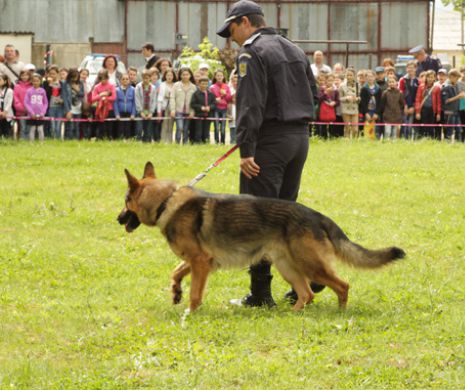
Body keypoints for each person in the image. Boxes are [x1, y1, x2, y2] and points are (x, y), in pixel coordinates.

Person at [217, 0, 320, 307]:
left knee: (256, 218)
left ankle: (260, 295)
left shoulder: (251, 51)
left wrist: (247, 149)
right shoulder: (293, 48)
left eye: (232, 29)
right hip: (298, 139)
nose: (231, 37)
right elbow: (313, 95)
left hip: (269, 143)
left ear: (246, 22)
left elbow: (250, 103)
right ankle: (312, 276)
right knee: (284, 215)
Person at [169, 67, 196, 144]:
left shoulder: (193, 87)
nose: (185, 76)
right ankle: (177, 143)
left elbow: (194, 101)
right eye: (183, 74)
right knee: (179, 128)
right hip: (178, 111)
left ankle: (185, 143)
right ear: (180, 76)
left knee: (186, 129)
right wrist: (173, 110)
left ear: (190, 75)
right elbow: (172, 98)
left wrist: (192, 111)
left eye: (187, 74)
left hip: (188, 112)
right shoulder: (176, 85)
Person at [415, 70, 441, 139]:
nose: (430, 79)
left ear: (434, 78)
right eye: (428, 77)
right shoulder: (421, 87)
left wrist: (438, 113)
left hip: (432, 110)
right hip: (423, 109)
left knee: (431, 126)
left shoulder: (437, 88)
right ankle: (423, 139)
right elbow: (417, 100)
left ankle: (431, 140)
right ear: (426, 78)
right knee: (423, 126)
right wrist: (417, 112)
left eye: (432, 77)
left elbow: (438, 102)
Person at [91, 69, 116, 139]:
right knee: (100, 126)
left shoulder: (111, 86)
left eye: (105, 78)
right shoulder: (96, 87)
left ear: (107, 78)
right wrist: (101, 95)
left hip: (109, 109)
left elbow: (113, 97)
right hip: (100, 110)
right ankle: (100, 138)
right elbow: (93, 99)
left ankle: (109, 138)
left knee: (109, 126)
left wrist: (105, 99)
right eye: (101, 79)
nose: (103, 80)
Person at [191, 76, 216, 143]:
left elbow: (214, 104)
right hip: (199, 115)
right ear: (199, 84)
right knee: (198, 130)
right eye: (202, 83)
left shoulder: (211, 94)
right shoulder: (196, 94)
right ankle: (198, 142)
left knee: (206, 130)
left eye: (206, 84)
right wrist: (201, 107)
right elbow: (193, 104)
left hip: (208, 115)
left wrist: (210, 107)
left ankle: (206, 142)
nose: (204, 85)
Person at [441, 69, 464, 142]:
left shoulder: (456, 85)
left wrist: (462, 95)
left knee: (459, 130)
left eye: (458, 78)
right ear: (451, 77)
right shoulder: (445, 87)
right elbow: (446, 101)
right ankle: (447, 145)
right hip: (449, 112)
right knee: (449, 130)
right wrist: (458, 96)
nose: (457, 80)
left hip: (456, 111)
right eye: (456, 78)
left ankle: (458, 145)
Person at [24, 73, 48, 142]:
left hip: (40, 114)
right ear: (31, 81)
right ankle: (31, 143)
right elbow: (26, 103)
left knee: (40, 129)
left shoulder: (42, 91)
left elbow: (45, 103)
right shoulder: (29, 91)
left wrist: (43, 112)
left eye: (37, 81)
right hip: (32, 115)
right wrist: (31, 113)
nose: (35, 82)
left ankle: (42, 143)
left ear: (40, 81)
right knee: (32, 129)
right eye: (34, 81)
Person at [62, 68, 85, 140]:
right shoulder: (65, 84)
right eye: (73, 76)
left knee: (77, 126)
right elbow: (65, 97)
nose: (74, 79)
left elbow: (82, 94)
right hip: (69, 107)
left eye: (76, 76)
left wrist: (77, 89)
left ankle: (76, 141)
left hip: (78, 107)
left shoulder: (80, 83)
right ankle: (68, 140)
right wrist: (67, 111)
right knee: (69, 126)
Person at [135, 69, 157, 142]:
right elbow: (137, 99)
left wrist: (151, 112)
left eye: (147, 78)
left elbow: (154, 101)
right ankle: (138, 141)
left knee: (148, 129)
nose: (145, 80)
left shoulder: (153, 88)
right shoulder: (138, 87)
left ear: (150, 78)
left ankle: (147, 142)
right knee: (139, 128)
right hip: (140, 111)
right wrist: (140, 112)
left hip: (149, 111)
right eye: (144, 78)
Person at [398, 60, 419, 140]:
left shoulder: (418, 81)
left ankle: (410, 141)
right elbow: (400, 94)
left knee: (410, 126)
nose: (410, 70)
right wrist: (405, 105)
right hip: (404, 107)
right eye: (408, 68)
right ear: (406, 69)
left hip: (413, 107)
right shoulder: (402, 80)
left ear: (415, 69)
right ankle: (403, 141)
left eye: (412, 68)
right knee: (404, 126)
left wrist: (413, 107)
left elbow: (418, 96)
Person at [210, 69, 232, 144]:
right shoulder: (212, 87)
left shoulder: (226, 86)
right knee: (216, 127)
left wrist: (225, 94)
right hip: (216, 109)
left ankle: (222, 142)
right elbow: (210, 99)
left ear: (223, 77)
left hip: (224, 109)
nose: (219, 77)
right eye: (218, 75)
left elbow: (229, 99)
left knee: (223, 128)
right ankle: (216, 142)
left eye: (221, 76)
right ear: (215, 77)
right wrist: (215, 100)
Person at [43, 65, 65, 139]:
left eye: (54, 73)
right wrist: (50, 85)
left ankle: (58, 138)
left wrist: (62, 100)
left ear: (57, 74)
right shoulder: (46, 83)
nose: (52, 75)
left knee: (58, 123)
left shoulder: (62, 84)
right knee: (52, 124)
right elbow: (46, 94)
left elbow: (64, 94)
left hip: (59, 107)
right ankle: (52, 138)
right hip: (51, 106)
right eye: (50, 73)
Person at [360, 70, 382, 139]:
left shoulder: (378, 89)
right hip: (367, 112)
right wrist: (366, 113)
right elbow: (362, 103)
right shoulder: (364, 89)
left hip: (375, 112)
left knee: (375, 130)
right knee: (366, 129)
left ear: (375, 77)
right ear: (366, 78)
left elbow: (380, 103)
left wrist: (377, 113)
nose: (370, 78)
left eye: (372, 76)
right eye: (368, 77)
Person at [113, 73, 136, 139]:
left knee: (128, 129)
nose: (125, 80)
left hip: (129, 113)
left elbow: (134, 102)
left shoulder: (133, 89)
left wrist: (133, 114)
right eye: (123, 79)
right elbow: (115, 103)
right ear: (120, 80)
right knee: (120, 129)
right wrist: (117, 114)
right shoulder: (116, 90)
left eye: (127, 79)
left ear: (129, 80)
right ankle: (120, 141)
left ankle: (128, 142)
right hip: (120, 113)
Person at [339, 68, 360, 138]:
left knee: (355, 129)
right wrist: (346, 98)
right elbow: (340, 98)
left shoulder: (358, 85)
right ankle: (346, 142)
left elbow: (360, 97)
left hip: (354, 108)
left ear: (354, 76)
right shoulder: (342, 86)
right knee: (347, 128)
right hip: (345, 108)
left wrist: (357, 99)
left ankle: (355, 143)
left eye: (351, 75)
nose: (349, 77)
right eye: (347, 75)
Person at [157, 68, 177, 143]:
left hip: (173, 107)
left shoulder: (175, 85)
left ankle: (170, 141)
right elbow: (159, 99)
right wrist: (159, 111)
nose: (169, 77)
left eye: (171, 75)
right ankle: (163, 140)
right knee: (164, 124)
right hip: (164, 107)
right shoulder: (162, 85)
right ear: (165, 76)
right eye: (168, 75)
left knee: (171, 125)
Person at [13, 69, 32, 140]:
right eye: (23, 75)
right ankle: (22, 140)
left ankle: (28, 141)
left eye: (26, 75)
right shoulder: (17, 86)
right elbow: (15, 98)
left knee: (29, 127)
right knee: (22, 126)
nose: (24, 77)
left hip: (30, 111)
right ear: (20, 76)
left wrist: (30, 108)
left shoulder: (32, 86)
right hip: (20, 111)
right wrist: (22, 108)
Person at [0, 73, 14, 137]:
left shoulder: (9, 91)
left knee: (6, 130)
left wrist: (5, 112)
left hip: (7, 114)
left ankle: (7, 142)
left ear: (5, 81)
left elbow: (9, 102)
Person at [228, 70, 238, 143]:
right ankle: (232, 142)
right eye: (233, 81)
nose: (235, 83)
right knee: (232, 129)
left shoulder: (243, 90)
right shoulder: (229, 90)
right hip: (232, 111)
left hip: (239, 111)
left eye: (237, 81)